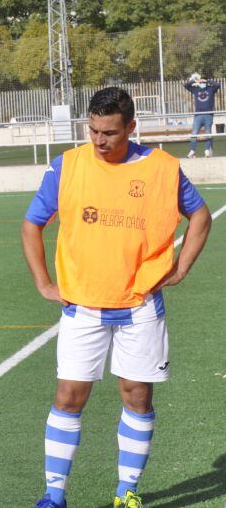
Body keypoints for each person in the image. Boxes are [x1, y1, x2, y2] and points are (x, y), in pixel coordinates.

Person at [22, 87, 212, 508]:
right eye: (92, 131)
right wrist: (43, 282)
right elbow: (32, 223)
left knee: (137, 396)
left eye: (109, 132)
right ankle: (54, 495)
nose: (99, 141)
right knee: (69, 396)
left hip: (140, 306)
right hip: (82, 306)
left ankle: (126, 493)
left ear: (130, 127)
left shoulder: (162, 168)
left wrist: (181, 268)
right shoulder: (67, 166)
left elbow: (199, 214)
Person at [184, 72, 220, 158]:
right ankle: (192, 151)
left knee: (208, 133)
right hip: (198, 115)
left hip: (208, 115)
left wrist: (207, 81)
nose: (202, 84)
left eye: (203, 82)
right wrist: (194, 80)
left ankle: (207, 151)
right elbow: (186, 85)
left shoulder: (211, 89)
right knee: (194, 133)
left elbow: (217, 85)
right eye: (201, 82)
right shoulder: (196, 89)